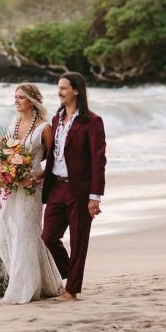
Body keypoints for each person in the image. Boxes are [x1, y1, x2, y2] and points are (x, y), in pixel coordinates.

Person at [0, 83, 63, 304]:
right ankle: (32, 281)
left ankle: (26, 288)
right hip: (11, 187)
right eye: (15, 97)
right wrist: (3, 168)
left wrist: (34, 176)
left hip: (31, 188)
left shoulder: (44, 128)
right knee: (6, 230)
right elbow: (7, 151)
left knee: (27, 234)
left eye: (21, 97)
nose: (16, 101)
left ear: (33, 101)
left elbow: (53, 163)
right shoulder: (14, 122)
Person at [41, 72, 106, 301]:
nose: (59, 92)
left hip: (80, 191)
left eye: (64, 88)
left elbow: (99, 160)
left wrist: (94, 196)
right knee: (48, 237)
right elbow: (52, 155)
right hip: (56, 187)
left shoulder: (92, 121)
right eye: (58, 88)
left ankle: (72, 290)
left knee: (79, 241)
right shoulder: (57, 120)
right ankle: (70, 273)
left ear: (76, 90)